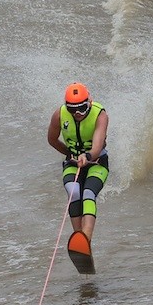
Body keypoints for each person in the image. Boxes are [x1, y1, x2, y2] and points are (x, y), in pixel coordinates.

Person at [47, 82, 110, 242]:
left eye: (82, 108)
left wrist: (87, 157)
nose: (77, 113)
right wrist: (69, 154)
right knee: (73, 192)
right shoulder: (59, 115)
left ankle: (86, 238)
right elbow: (52, 139)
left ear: (89, 103)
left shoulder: (100, 115)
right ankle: (79, 240)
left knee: (88, 193)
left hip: (97, 163)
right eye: (72, 110)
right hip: (73, 164)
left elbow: (96, 146)